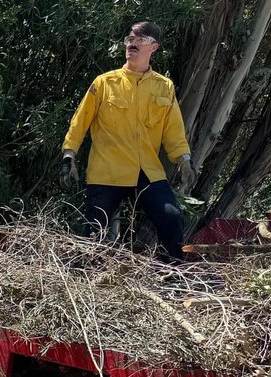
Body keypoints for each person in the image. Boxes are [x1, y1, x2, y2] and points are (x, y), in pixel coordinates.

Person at [61, 21, 194, 260]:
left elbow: (173, 130)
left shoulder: (164, 87)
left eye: (140, 40)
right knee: (94, 231)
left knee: (171, 217)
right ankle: (86, 275)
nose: (132, 44)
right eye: (130, 39)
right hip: (108, 170)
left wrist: (184, 161)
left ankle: (173, 273)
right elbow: (79, 122)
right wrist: (69, 156)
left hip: (147, 171)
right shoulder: (104, 83)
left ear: (153, 47)